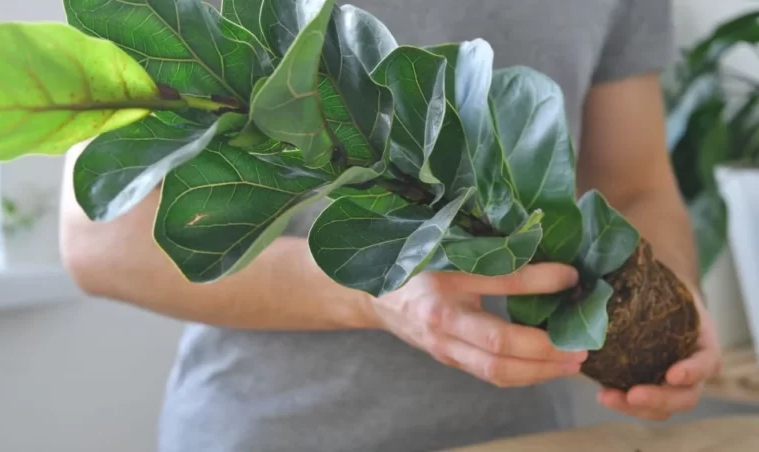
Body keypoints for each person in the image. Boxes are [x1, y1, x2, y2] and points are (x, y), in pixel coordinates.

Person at [58, 0, 723, 450]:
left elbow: (634, 184)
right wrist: (378, 291)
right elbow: (99, 238)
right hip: (268, 433)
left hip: (525, 438)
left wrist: (668, 310)